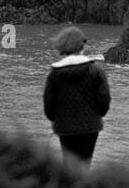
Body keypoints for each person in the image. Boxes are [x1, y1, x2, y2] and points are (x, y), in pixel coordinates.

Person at [43, 26, 111, 165]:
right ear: (82, 46)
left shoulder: (54, 74)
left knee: (69, 165)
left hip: (65, 128)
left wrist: (57, 118)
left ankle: (70, 186)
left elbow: (49, 107)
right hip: (90, 127)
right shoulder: (95, 71)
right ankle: (83, 186)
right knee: (85, 164)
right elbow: (104, 102)